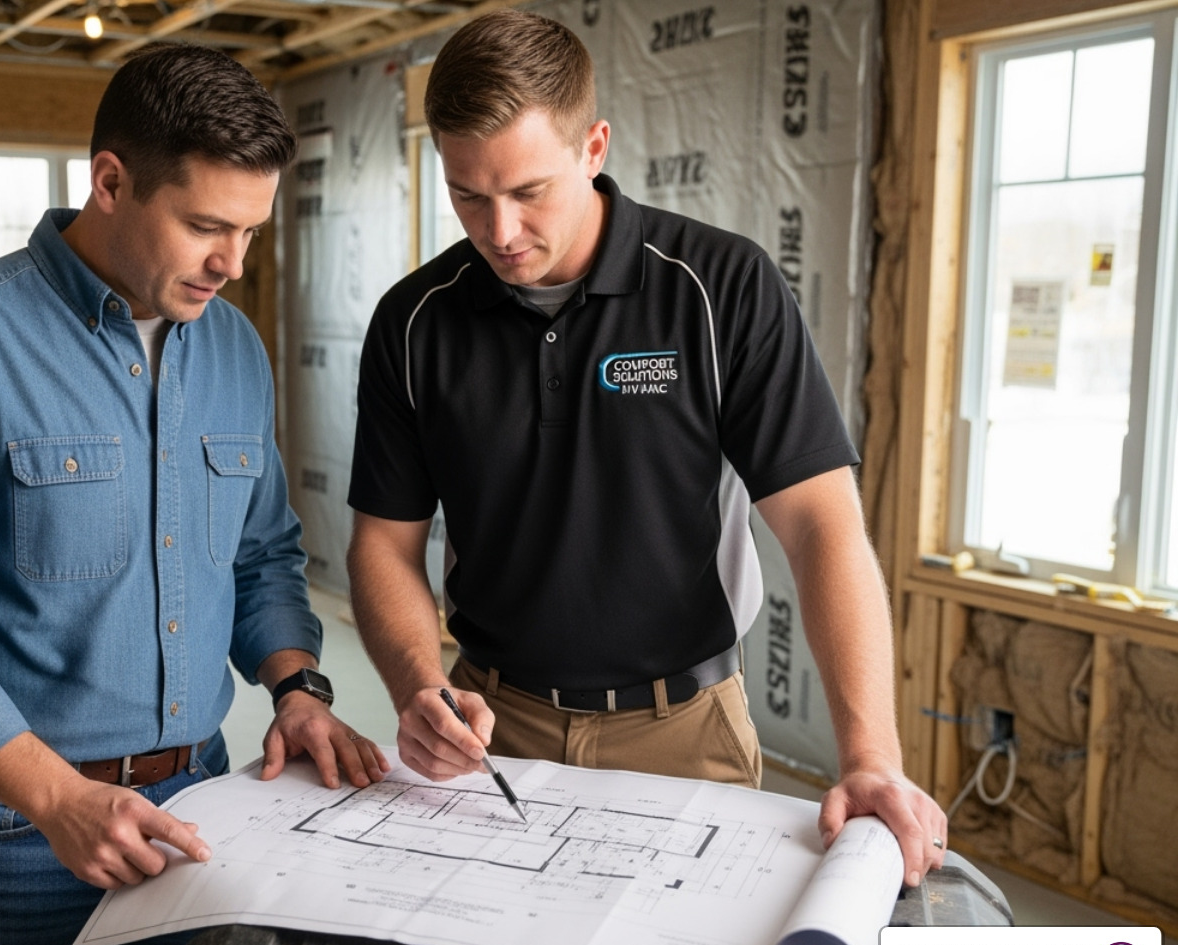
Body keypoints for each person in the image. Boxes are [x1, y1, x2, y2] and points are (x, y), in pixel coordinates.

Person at [0, 43, 387, 945]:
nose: (233, 263)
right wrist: (56, 800)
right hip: (5, 829)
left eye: (251, 231)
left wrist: (296, 686)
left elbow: (259, 551)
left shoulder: (232, 346)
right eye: (206, 226)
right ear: (110, 182)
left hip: (195, 815)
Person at [346, 10, 947, 891]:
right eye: (468, 194)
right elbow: (383, 543)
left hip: (685, 731)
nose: (500, 230)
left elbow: (821, 525)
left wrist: (871, 755)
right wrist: (416, 687)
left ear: (594, 146)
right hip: (490, 729)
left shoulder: (721, 288)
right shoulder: (414, 321)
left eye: (529, 191)